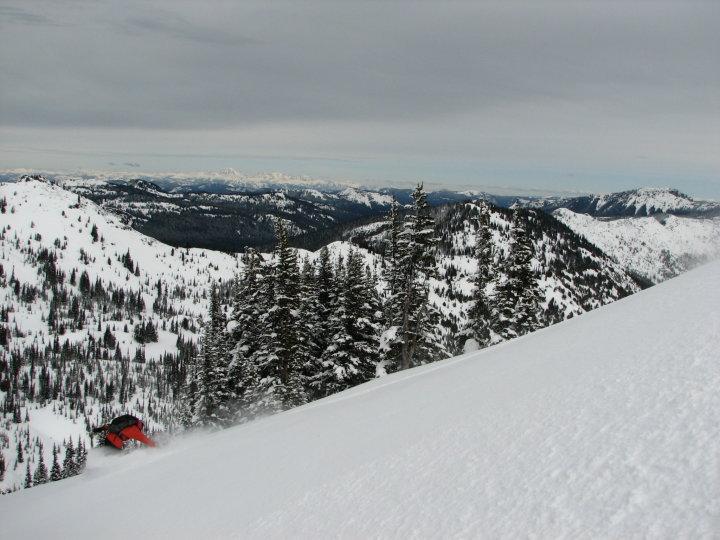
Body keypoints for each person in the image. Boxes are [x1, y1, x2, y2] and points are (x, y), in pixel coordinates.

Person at [92, 414, 157, 449]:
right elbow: (143, 439)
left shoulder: (126, 425)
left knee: (107, 455)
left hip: (109, 439)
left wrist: (99, 429)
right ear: (141, 424)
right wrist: (155, 445)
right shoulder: (133, 429)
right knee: (113, 460)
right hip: (115, 443)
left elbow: (109, 426)